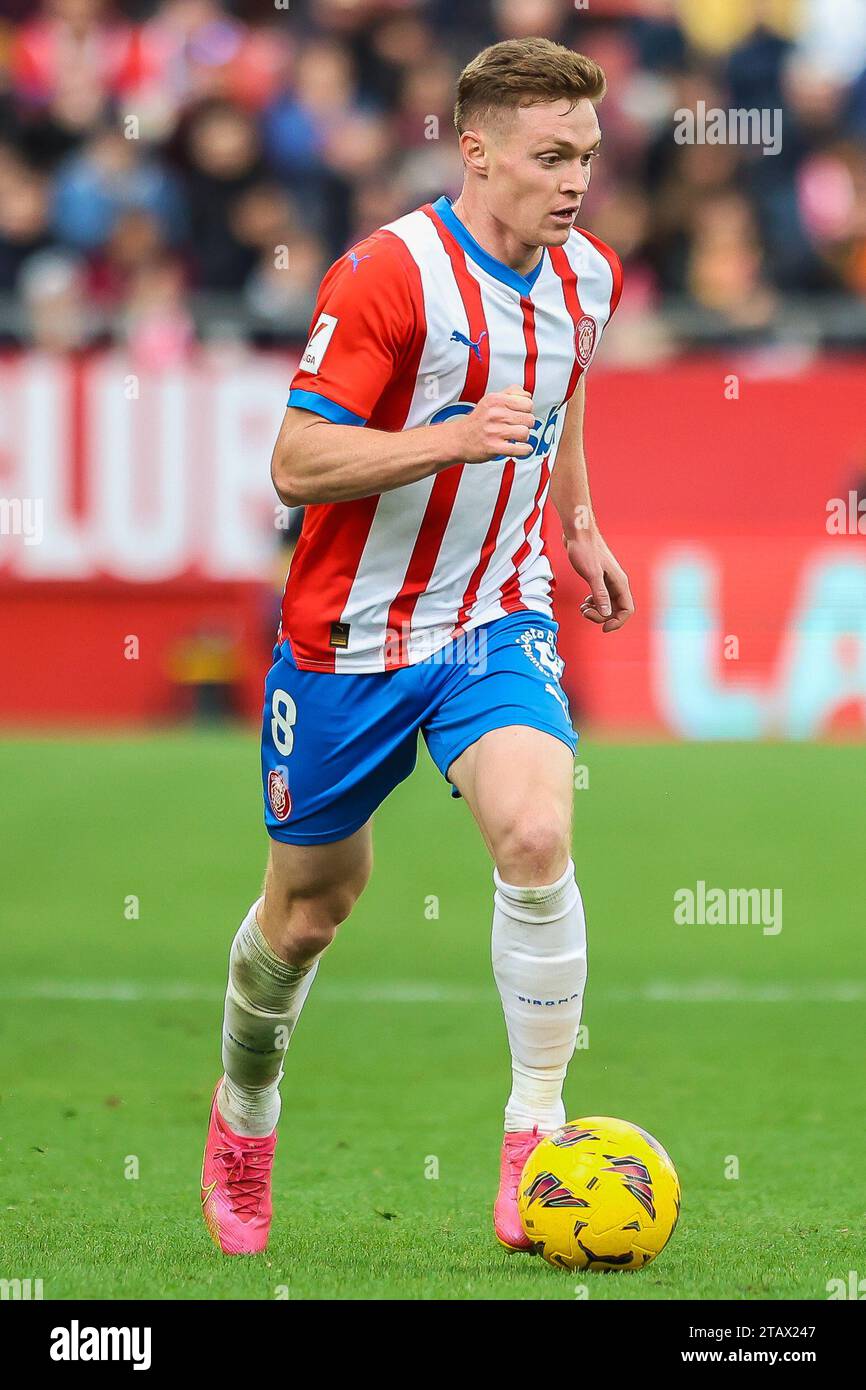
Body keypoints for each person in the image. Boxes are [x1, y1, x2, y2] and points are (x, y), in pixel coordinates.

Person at [200, 35, 634, 1257]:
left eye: (587, 158)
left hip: (494, 612)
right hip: (349, 635)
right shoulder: (386, 278)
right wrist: (443, 440)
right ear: (474, 148)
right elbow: (295, 460)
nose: (573, 182)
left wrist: (580, 526)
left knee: (537, 832)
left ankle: (534, 1138)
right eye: (550, 157)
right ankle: (244, 1109)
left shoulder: (586, 276)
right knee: (308, 913)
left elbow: (564, 389)